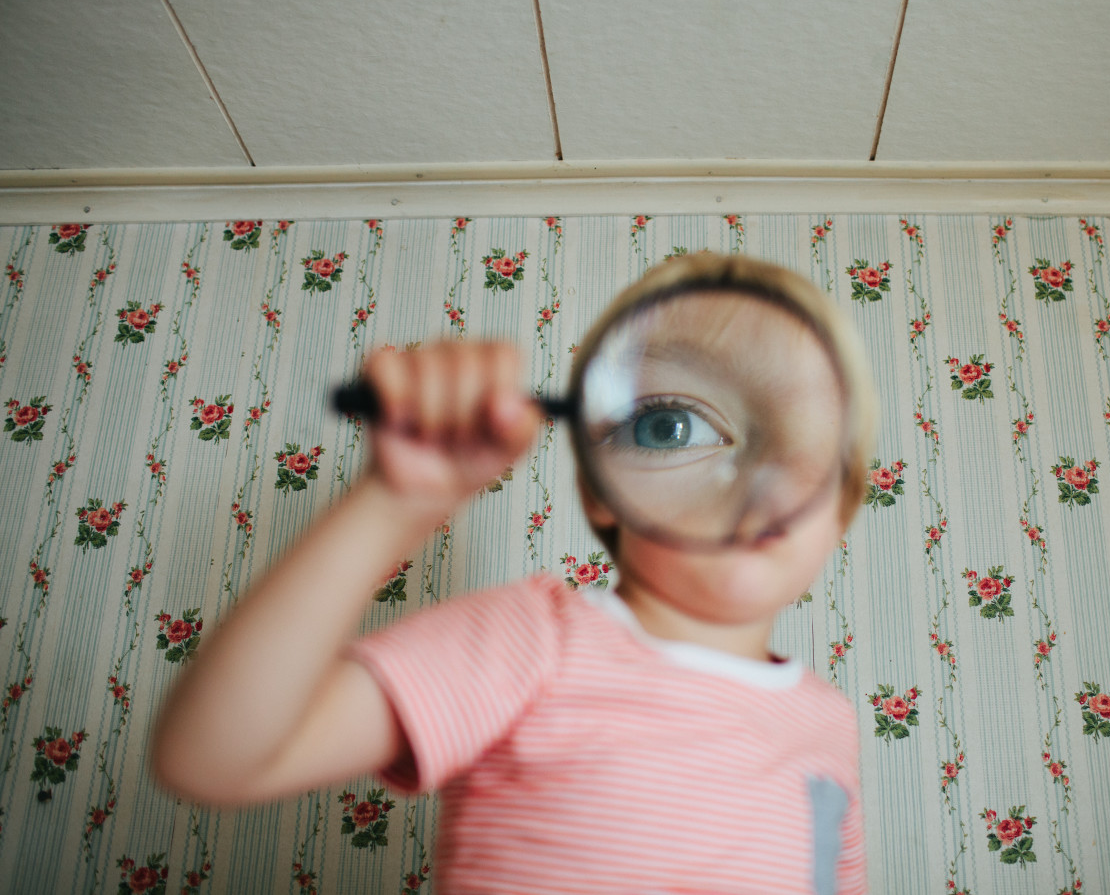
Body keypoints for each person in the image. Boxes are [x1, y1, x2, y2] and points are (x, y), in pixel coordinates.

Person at [150, 252, 876, 894]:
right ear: (596, 481)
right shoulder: (533, 638)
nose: (757, 477)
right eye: (670, 425)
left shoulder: (829, 722)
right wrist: (395, 504)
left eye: (809, 436)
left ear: (840, 505)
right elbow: (214, 758)